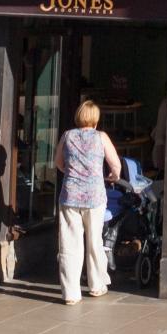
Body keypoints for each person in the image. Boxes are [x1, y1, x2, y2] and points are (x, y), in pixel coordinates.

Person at [54, 99, 123, 305]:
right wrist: (113, 176)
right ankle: (96, 285)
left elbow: (58, 162)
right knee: (95, 241)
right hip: (94, 196)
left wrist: (72, 174)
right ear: (95, 119)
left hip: (70, 195)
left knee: (69, 244)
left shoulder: (67, 136)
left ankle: (70, 293)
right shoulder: (101, 137)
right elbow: (116, 165)